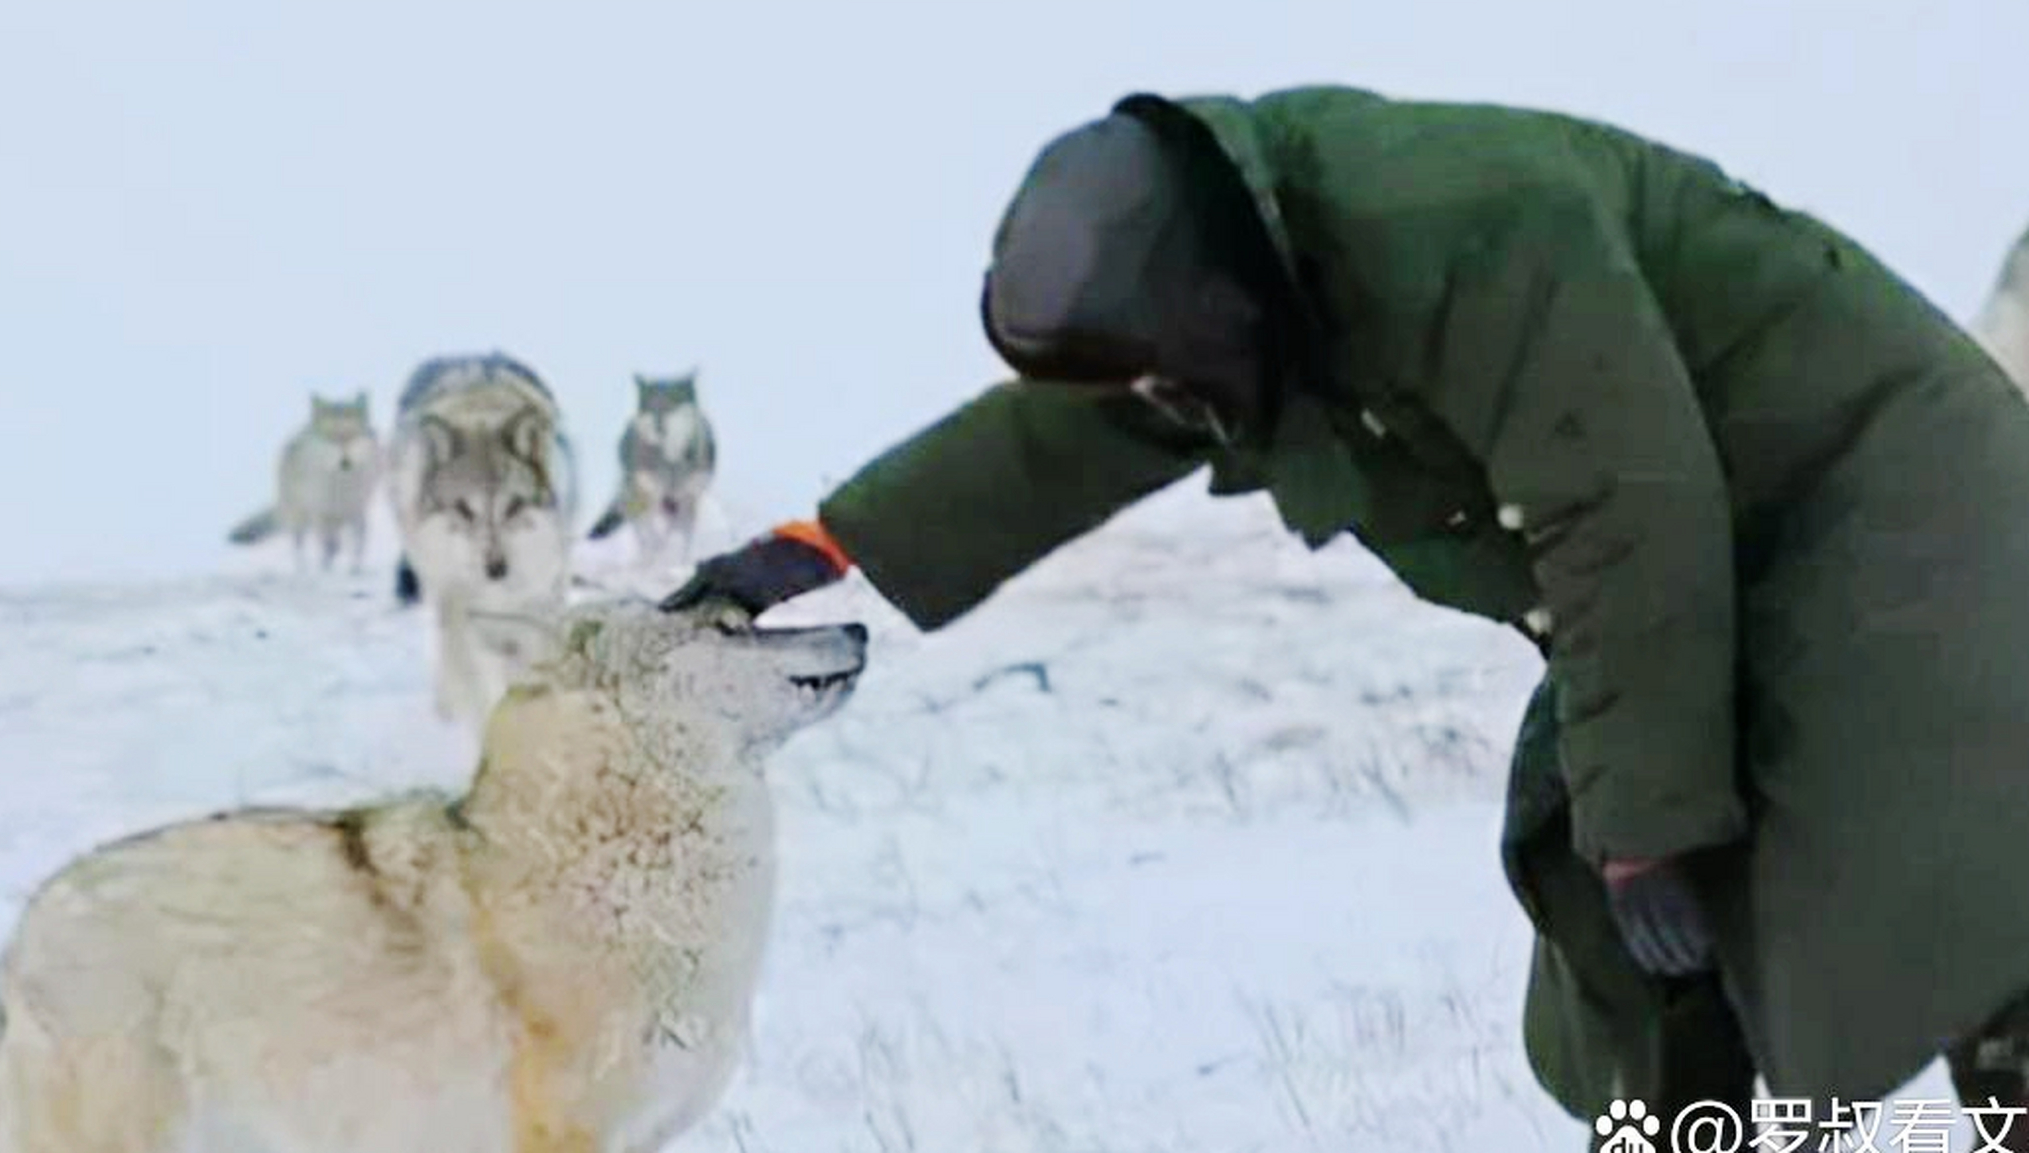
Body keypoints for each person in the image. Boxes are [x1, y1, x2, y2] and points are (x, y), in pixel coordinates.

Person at [660, 84, 2029, 1148]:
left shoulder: (1470, 227)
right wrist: (821, 545)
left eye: (1167, 380)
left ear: (1206, 306)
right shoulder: (1254, 281)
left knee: (1932, 893)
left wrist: (1653, 821)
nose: (1166, 411)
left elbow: (1624, 506)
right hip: (1719, 556)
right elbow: (1073, 430)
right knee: (1633, 916)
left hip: (1884, 515)